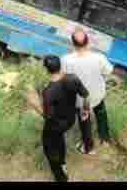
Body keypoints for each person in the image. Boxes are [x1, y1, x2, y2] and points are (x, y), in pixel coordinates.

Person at [29, 54, 90, 183]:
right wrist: (85, 109)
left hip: (56, 125)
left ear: (46, 69)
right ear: (60, 65)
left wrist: (34, 104)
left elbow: (48, 117)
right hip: (70, 119)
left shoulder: (49, 92)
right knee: (59, 138)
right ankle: (63, 164)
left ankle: (61, 177)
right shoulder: (72, 78)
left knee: (49, 148)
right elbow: (86, 95)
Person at [61, 29, 114, 155]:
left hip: (81, 100)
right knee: (101, 115)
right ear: (88, 42)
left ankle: (89, 146)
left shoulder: (66, 60)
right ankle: (105, 139)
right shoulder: (99, 58)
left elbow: (63, 78)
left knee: (85, 121)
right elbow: (108, 71)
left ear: (73, 44)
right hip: (97, 95)